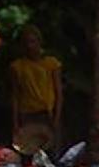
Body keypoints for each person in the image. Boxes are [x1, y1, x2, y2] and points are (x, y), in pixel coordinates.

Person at [8, 24, 63, 155]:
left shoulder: (51, 64)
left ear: (39, 42)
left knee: (49, 151)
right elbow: (15, 95)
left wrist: (56, 118)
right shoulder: (17, 66)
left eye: (32, 41)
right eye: (26, 42)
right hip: (27, 114)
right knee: (28, 151)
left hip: (46, 112)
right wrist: (15, 122)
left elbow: (58, 93)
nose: (30, 46)